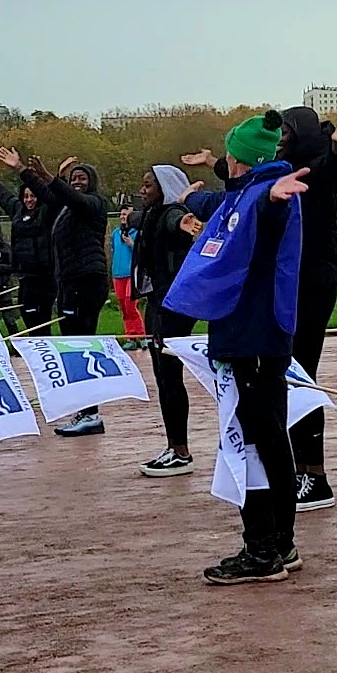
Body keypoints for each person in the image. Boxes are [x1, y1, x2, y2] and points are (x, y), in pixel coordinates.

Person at [183, 109, 337, 512]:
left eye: (288, 133)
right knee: (287, 379)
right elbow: (245, 189)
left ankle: (314, 476)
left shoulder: (310, 172)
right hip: (289, 286)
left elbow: (332, 167)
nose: (281, 139)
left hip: (311, 284)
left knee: (301, 376)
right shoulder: (279, 174)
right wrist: (214, 163)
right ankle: (300, 472)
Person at [167, 111, 308, 584]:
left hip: (254, 334)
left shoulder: (267, 194)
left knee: (256, 442)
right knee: (270, 439)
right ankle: (280, 545)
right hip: (257, 333)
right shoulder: (247, 190)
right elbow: (233, 200)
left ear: (237, 157)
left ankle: (262, 550)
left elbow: (267, 214)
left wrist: (272, 198)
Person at [0, 148, 110, 437]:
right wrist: (23, 170)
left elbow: (71, 197)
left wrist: (50, 177)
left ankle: (91, 413)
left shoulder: (94, 203)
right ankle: (85, 411)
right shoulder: (65, 207)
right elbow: (48, 196)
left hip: (86, 281)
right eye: (74, 178)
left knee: (81, 347)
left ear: (92, 182)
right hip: (69, 283)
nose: (77, 182)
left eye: (83, 178)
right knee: (72, 348)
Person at [132, 164, 201, 477]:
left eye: (149, 185)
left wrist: (187, 223)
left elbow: (177, 222)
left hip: (174, 305)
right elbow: (142, 220)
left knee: (170, 375)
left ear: (165, 187)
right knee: (163, 375)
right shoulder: (151, 214)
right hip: (157, 300)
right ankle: (174, 445)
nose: (143, 190)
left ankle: (181, 451)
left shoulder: (172, 212)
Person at [0, 164, 57, 335]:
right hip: (25, 276)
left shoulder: (46, 212)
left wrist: (48, 176)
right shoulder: (18, 211)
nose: (29, 200)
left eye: (33, 196)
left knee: (43, 320)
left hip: (45, 276)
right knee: (28, 317)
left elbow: (54, 196)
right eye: (26, 196)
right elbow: (5, 197)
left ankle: (46, 350)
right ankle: (35, 349)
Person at [112, 206, 146, 348]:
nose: (122, 217)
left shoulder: (137, 233)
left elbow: (142, 252)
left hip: (131, 274)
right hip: (117, 274)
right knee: (123, 307)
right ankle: (130, 337)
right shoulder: (115, 233)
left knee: (130, 304)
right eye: (121, 214)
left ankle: (141, 334)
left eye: (125, 214)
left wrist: (132, 244)